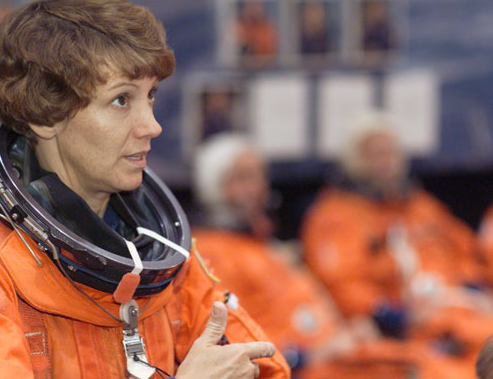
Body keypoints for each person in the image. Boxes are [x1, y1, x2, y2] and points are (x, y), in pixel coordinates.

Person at [0, 0, 289, 379]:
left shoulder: (161, 255)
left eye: (150, 95)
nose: (152, 125)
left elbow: (264, 368)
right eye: (121, 100)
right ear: (45, 115)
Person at [190, 133, 472, 379]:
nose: (255, 188)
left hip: (345, 348)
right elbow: (224, 337)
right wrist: (302, 354)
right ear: (213, 187)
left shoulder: (263, 246)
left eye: (258, 175)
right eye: (241, 178)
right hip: (297, 364)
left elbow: (468, 255)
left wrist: (347, 332)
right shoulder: (212, 252)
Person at [300, 111, 493, 373]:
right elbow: (341, 283)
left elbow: (467, 252)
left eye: (390, 152)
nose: (385, 161)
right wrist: (392, 315)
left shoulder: (422, 206)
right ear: (353, 160)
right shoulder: (334, 216)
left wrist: (473, 288)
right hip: (406, 325)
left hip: (458, 310)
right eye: (374, 154)